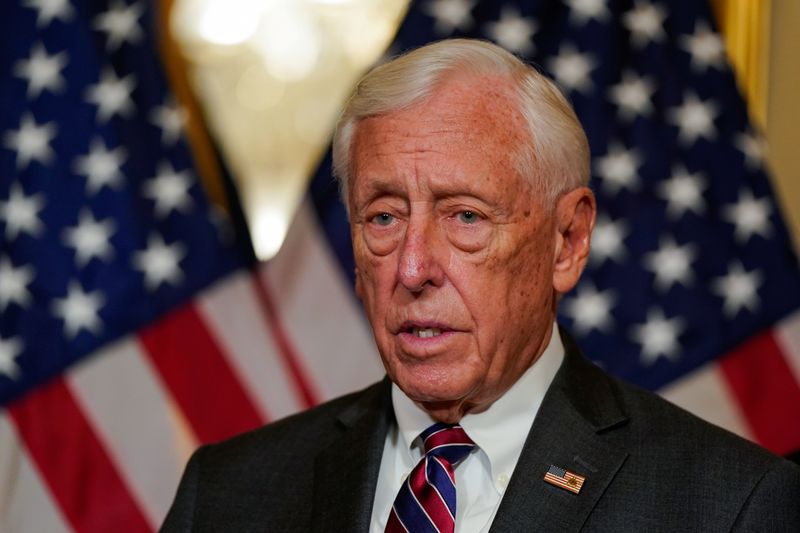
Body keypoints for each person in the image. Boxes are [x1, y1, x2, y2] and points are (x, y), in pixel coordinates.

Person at [161, 39, 800, 532]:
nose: (412, 269)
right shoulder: (224, 495)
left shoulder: (727, 507)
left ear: (568, 240)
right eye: (383, 217)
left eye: (465, 216)